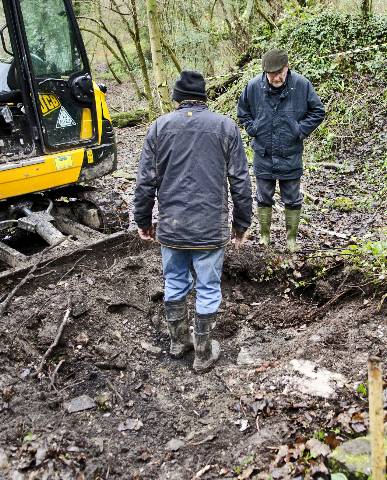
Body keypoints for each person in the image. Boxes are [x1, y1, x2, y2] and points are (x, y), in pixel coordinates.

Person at [134, 70, 252, 373]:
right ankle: (202, 352)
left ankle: (178, 343)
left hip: (172, 226)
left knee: (174, 282)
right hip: (210, 227)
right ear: (204, 98)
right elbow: (240, 181)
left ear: (176, 99)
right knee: (208, 287)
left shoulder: (158, 128)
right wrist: (241, 223)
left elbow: (146, 181)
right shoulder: (226, 127)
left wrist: (143, 219)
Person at [237, 49, 325, 252]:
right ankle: (264, 238)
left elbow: (318, 111)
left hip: (290, 153)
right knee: (263, 197)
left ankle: (291, 240)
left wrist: (300, 129)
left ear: (287, 68)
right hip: (263, 153)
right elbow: (243, 111)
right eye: (270, 74)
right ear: (264, 72)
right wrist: (252, 127)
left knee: (292, 198)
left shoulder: (302, 85)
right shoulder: (253, 87)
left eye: (279, 73)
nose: (275, 77)